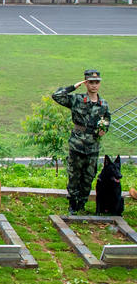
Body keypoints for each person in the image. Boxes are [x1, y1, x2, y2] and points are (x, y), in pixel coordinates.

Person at [52, 69, 110, 215]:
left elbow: (107, 119)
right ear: (86, 83)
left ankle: (82, 204)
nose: (94, 85)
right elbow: (57, 96)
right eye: (91, 82)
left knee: (88, 176)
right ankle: (72, 204)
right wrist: (74, 86)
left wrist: (105, 128)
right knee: (74, 175)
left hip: (93, 145)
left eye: (97, 82)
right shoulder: (77, 99)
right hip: (77, 143)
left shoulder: (103, 103)